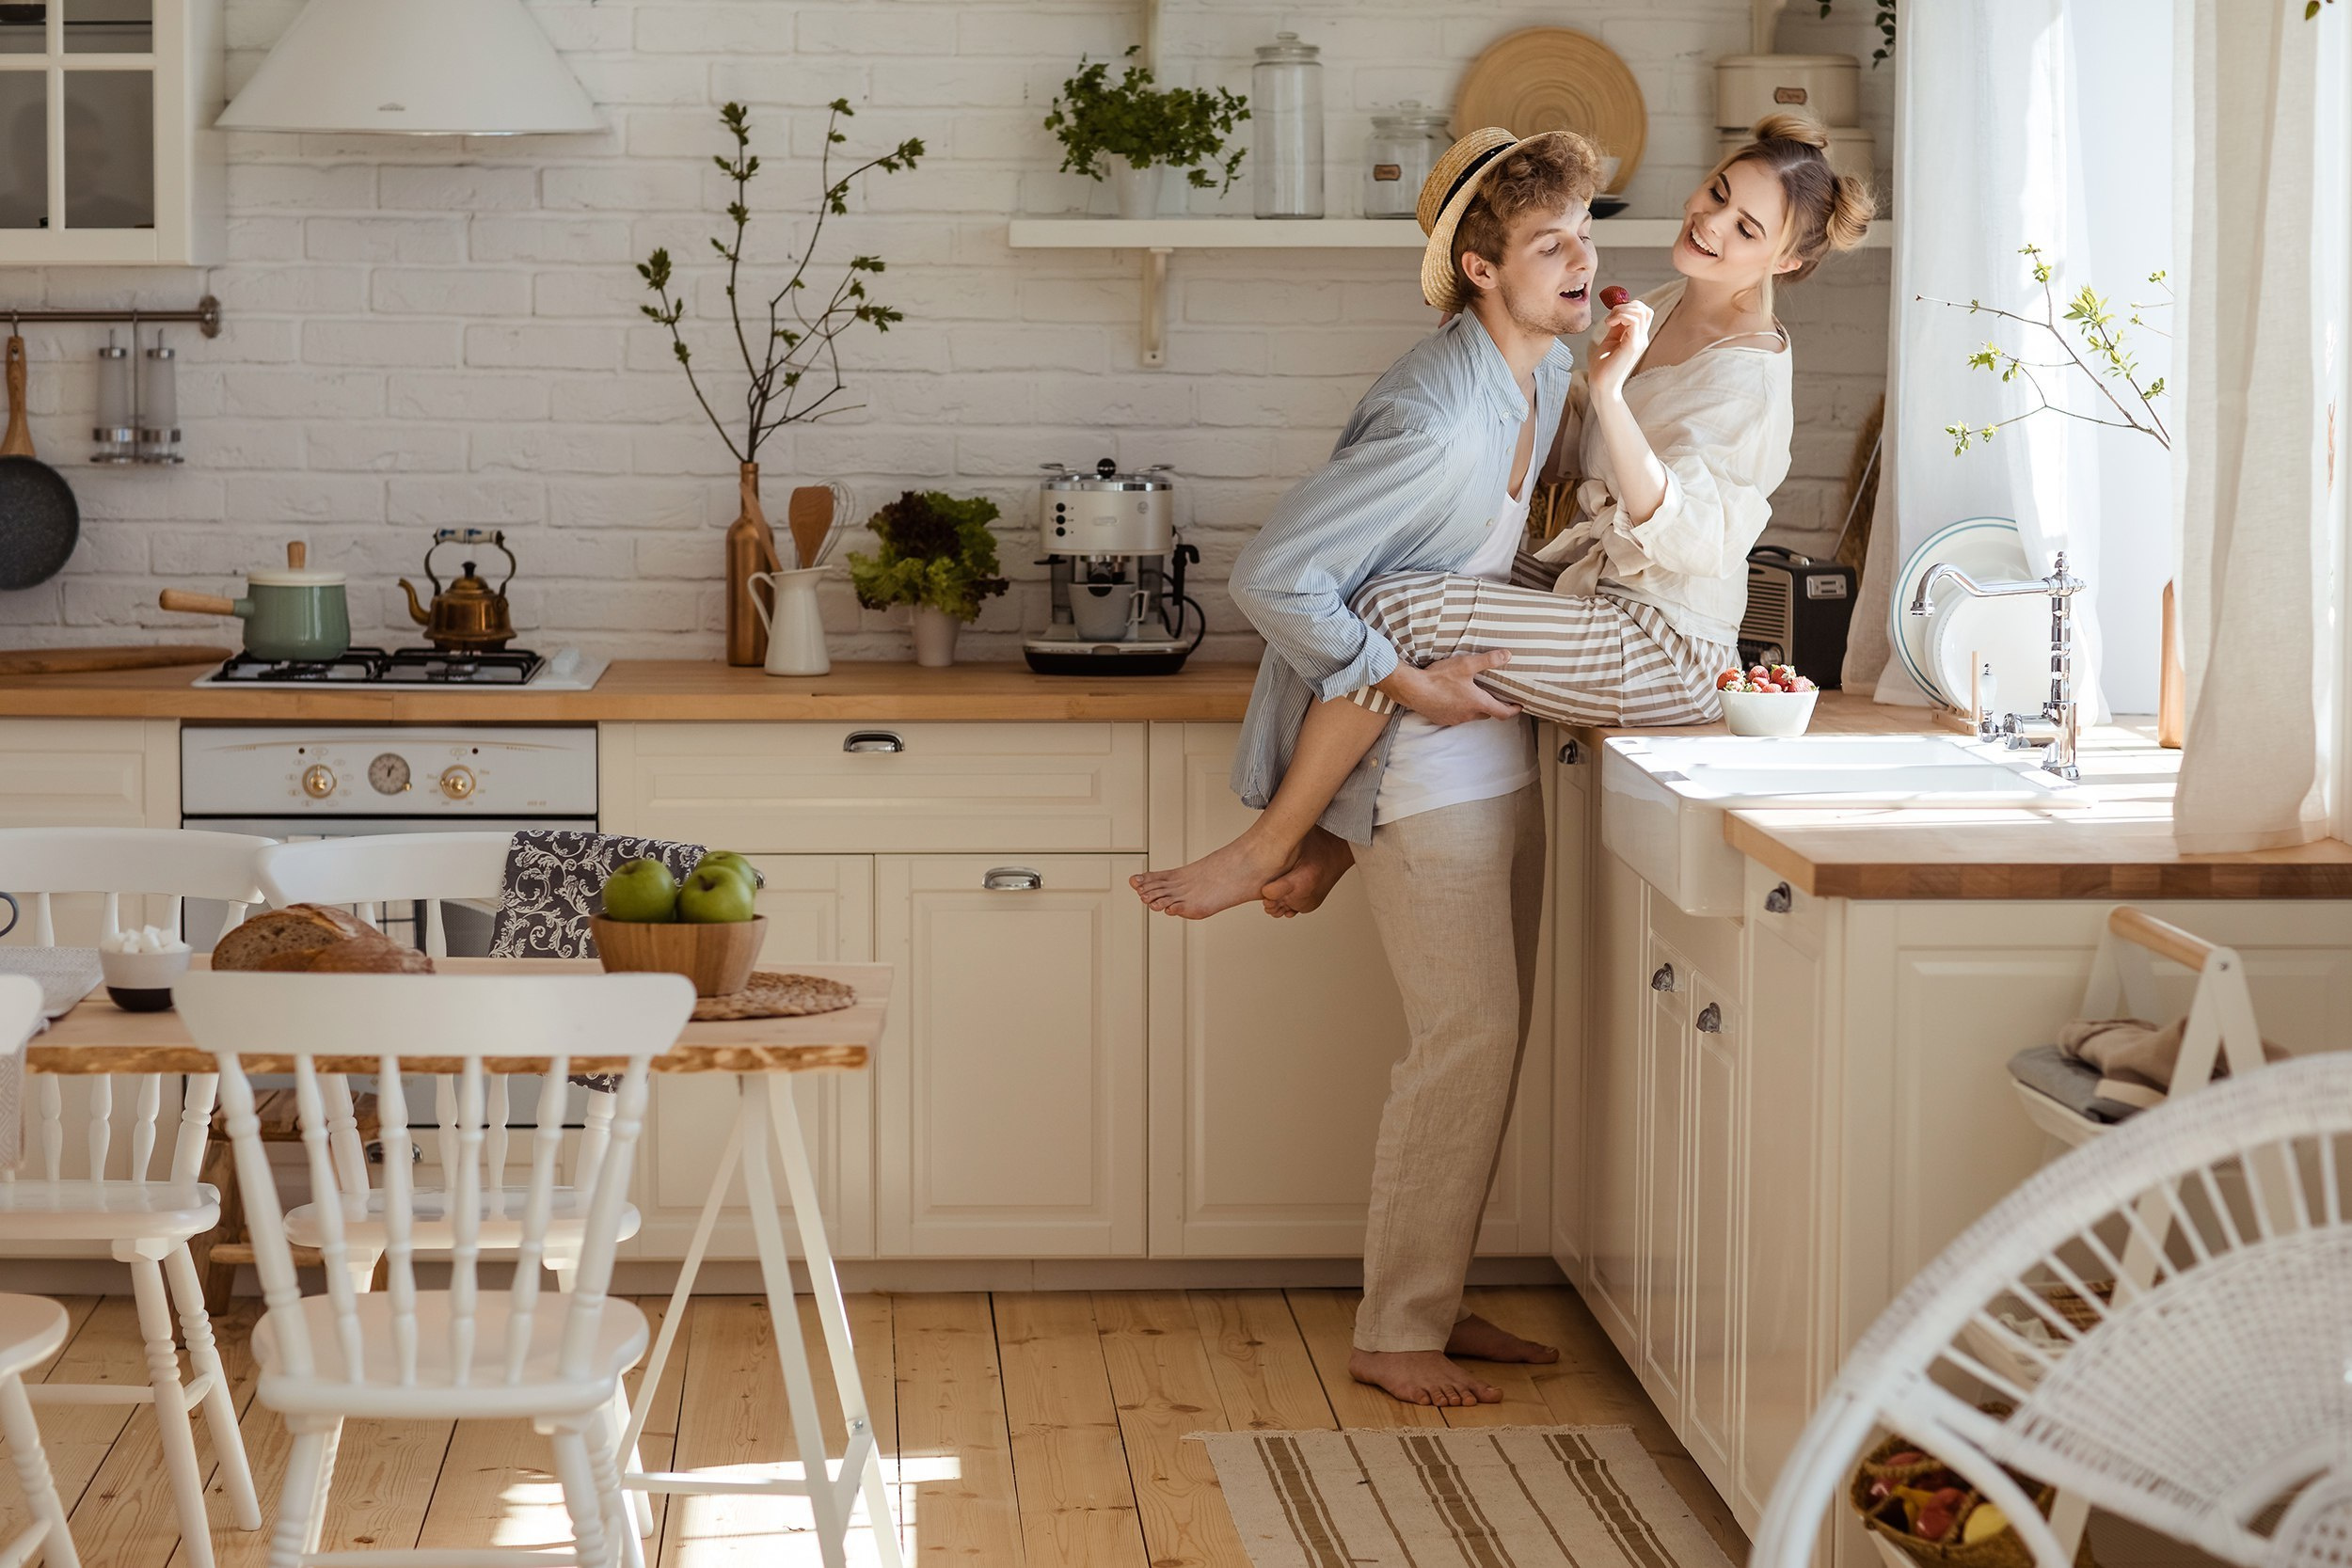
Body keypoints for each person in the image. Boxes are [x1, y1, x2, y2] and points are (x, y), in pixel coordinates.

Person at [1133, 115, 1875, 925]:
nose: (1711, 220)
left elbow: (1697, 535)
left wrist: (1612, 394)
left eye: (1747, 226)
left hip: (1665, 643)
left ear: (1790, 258)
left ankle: (1275, 841)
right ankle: (1331, 843)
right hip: (1600, 593)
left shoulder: (1750, 374)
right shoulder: (1666, 307)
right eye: (1720, 191)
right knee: (1409, 579)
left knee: (1393, 607)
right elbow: (1570, 424)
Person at [1145, 124, 1604, 1405]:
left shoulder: (1546, 377)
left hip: (1487, 753)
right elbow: (1272, 574)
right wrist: (1403, 682)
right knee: (1468, 1038)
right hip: (1421, 769)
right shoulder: (1435, 415)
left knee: (1487, 1046)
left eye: (1584, 235)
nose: (1578, 261)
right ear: (1478, 267)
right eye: (1547, 244)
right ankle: (1394, 1324)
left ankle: (1438, 1301)